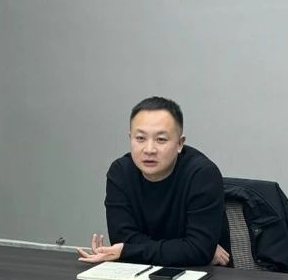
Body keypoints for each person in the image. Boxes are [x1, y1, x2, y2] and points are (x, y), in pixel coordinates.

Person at [78, 96, 230, 267]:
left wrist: (129, 251)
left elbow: (198, 251)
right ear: (130, 138)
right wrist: (185, 250)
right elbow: (122, 239)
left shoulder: (202, 175)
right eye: (140, 138)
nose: (149, 150)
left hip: (202, 276)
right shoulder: (120, 172)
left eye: (161, 140)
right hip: (138, 273)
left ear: (180, 144)